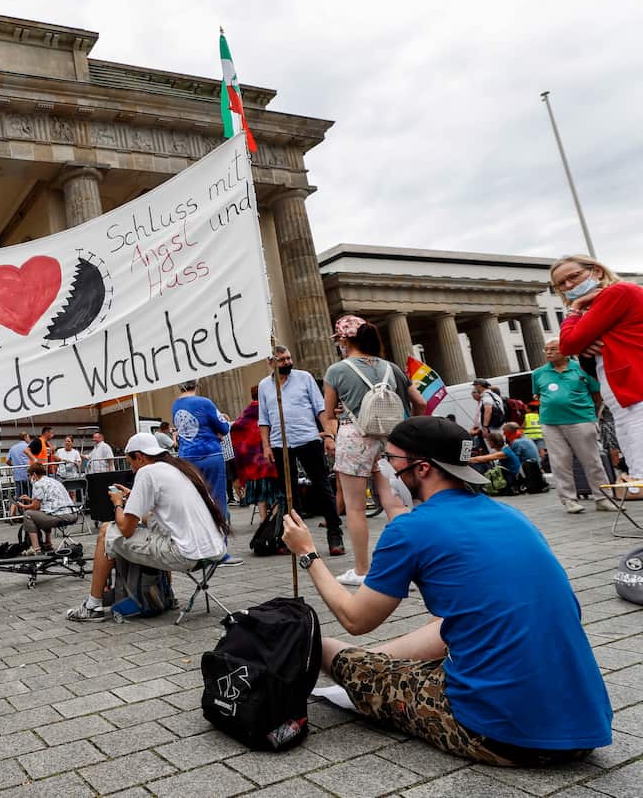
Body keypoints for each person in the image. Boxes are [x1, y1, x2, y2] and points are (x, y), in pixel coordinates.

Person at [281, 416, 612, 765]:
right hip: (584, 727)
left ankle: (362, 664)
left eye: (390, 461)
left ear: (422, 468)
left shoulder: (412, 529)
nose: (387, 472)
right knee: (458, 620)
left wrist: (307, 554)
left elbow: (355, 618)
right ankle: (376, 659)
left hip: (504, 736)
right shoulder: (511, 516)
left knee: (326, 647)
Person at [66, 433, 229, 622]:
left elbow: (126, 528)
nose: (132, 469)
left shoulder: (146, 472)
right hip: (213, 550)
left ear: (140, 457)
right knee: (155, 530)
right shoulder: (179, 469)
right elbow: (158, 518)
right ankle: (167, 596)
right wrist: (133, 497)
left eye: (131, 462)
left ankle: (92, 605)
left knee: (105, 531)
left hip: (187, 554)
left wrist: (118, 503)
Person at [322, 316, 425, 587]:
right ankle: (416, 562)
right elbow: (420, 402)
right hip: (391, 438)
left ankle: (361, 569)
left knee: (355, 508)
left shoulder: (337, 370)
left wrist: (332, 431)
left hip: (355, 437)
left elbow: (328, 412)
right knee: (395, 502)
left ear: (344, 340)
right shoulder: (391, 367)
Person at [554, 253, 643, 483]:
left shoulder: (616, 292)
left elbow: (567, 344)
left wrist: (573, 309)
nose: (568, 285)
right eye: (561, 284)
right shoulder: (596, 306)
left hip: (635, 389)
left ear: (597, 271)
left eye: (573, 276)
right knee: (637, 472)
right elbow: (577, 346)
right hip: (623, 395)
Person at [258, 346, 345, 555]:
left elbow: (320, 408)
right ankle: (296, 537)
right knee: (289, 494)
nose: (287, 362)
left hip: (308, 439)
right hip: (280, 443)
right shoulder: (264, 386)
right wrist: (266, 446)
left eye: (288, 358)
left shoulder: (304, 378)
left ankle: (335, 535)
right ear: (271, 363)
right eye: (281, 360)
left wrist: (329, 436)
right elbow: (263, 419)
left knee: (323, 486)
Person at [532, 339, 613, 513]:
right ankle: (569, 500)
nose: (548, 353)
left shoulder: (582, 368)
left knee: (592, 460)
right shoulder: (538, 373)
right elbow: (538, 395)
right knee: (559, 462)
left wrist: (590, 413)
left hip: (581, 419)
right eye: (546, 350)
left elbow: (596, 394)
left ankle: (602, 498)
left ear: (565, 350)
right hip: (551, 423)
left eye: (553, 349)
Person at [171, 380, 231, 519]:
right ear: (197, 383)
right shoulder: (204, 402)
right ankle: (220, 535)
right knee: (217, 500)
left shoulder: (175, 405)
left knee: (194, 501)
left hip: (186, 457)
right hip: (209, 454)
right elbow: (224, 427)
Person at [232, 386, 284, 525]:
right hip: (269, 457)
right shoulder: (265, 410)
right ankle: (275, 520)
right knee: (275, 492)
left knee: (261, 494)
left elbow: (236, 429)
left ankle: (263, 519)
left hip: (253, 462)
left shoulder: (246, 413)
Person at [9, 462, 77, 555]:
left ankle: (36, 548)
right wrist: (30, 499)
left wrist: (22, 506)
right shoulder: (53, 480)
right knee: (45, 512)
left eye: (29, 475)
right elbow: (47, 499)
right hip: (73, 514)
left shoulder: (38, 484)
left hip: (61, 516)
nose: (28, 478)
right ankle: (48, 543)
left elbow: (35, 506)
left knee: (28, 514)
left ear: (34, 474)